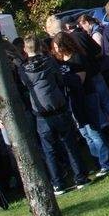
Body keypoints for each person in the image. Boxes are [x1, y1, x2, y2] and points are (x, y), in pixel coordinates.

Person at [19, 36, 90, 195]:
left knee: (49, 150)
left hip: (41, 112)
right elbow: (59, 79)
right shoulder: (49, 61)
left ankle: (58, 183)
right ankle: (80, 177)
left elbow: (25, 85)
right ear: (41, 46)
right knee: (69, 144)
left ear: (25, 49)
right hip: (58, 106)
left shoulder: (23, 69)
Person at [51, 33, 109, 176]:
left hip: (86, 96)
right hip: (72, 100)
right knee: (85, 134)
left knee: (93, 131)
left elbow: (80, 80)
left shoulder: (77, 58)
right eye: (54, 47)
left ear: (65, 45)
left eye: (58, 46)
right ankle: (98, 162)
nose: (57, 50)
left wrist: (63, 80)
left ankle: (106, 163)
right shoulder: (59, 62)